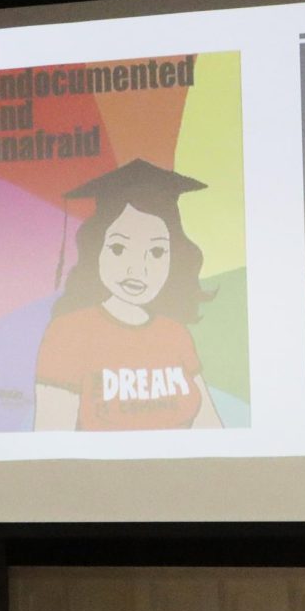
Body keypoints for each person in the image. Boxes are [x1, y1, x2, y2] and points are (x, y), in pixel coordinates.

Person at [33, 159, 223, 430]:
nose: (138, 269)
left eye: (157, 252)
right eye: (119, 248)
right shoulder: (67, 334)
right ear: (96, 249)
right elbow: (51, 439)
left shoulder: (175, 334)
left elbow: (211, 428)